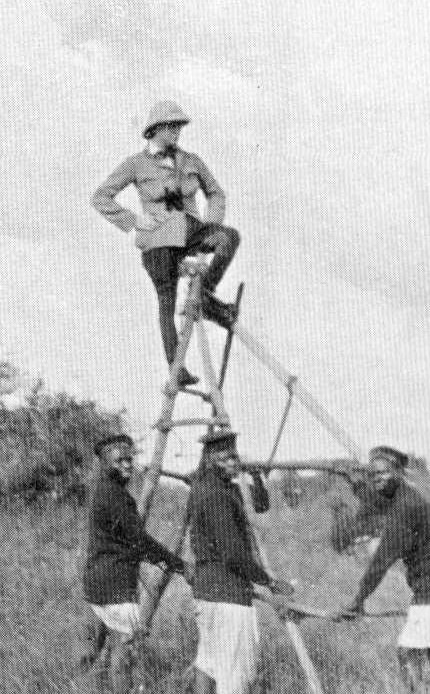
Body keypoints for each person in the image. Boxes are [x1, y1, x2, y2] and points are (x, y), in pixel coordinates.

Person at [91, 100, 240, 387]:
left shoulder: (191, 161)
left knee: (228, 238)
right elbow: (101, 197)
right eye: (172, 127)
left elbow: (216, 193)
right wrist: (133, 221)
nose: (177, 133)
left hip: (190, 231)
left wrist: (212, 222)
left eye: (179, 127)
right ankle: (176, 366)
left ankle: (206, 295)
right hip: (158, 240)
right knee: (166, 302)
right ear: (155, 129)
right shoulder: (135, 164)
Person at [335, 446, 430, 692]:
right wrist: (355, 484)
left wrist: (357, 601)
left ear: (398, 472)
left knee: (408, 653)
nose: (377, 479)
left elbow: (381, 562)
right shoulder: (405, 495)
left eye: (383, 474)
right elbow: (377, 500)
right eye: (373, 475)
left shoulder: (405, 510)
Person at [186, 430, 294, 694]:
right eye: (225, 459)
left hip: (207, 594)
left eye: (235, 458)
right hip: (228, 597)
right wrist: (270, 582)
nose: (233, 464)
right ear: (210, 460)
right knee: (235, 677)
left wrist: (256, 477)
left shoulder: (210, 487)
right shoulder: (217, 495)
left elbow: (259, 504)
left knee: (208, 664)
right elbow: (233, 554)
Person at [82, 434, 185, 693]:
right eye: (119, 461)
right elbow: (139, 541)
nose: (127, 464)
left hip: (99, 579)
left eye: (129, 458)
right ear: (105, 463)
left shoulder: (104, 490)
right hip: (114, 582)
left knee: (99, 648)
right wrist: (180, 566)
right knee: (124, 651)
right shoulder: (114, 495)